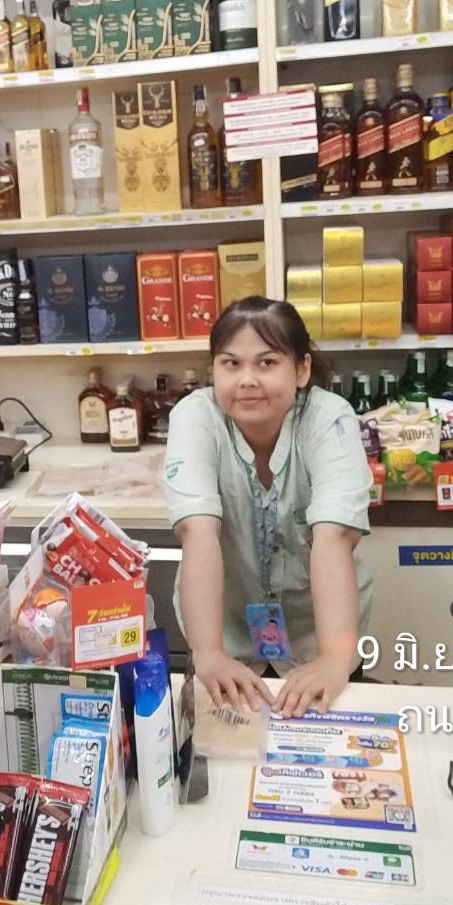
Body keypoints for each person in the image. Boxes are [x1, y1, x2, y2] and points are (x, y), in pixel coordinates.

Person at [163, 296, 373, 718]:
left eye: (267, 363)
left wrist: (333, 659)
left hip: (318, 635)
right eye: (231, 363)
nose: (247, 380)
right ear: (213, 370)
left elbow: (334, 536)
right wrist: (209, 653)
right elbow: (197, 532)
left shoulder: (330, 418)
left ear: (302, 369)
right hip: (225, 639)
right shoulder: (195, 417)